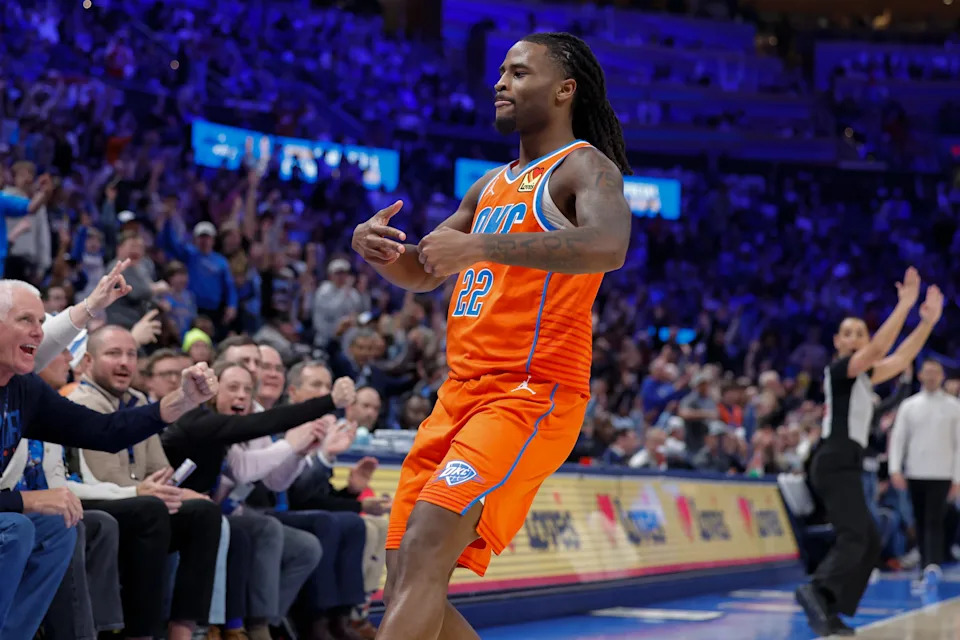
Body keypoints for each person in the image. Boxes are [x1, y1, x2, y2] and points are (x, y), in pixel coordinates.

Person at [351, 32, 631, 639]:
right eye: (500, 72)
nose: (499, 83)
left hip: (530, 393)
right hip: (459, 395)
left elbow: (609, 247)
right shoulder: (488, 186)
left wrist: (479, 243)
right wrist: (377, 253)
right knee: (402, 576)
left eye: (518, 72)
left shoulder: (584, 166)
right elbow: (424, 270)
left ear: (564, 89)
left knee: (426, 549)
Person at [0, 279, 219, 639]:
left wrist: (180, 401)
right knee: (19, 526)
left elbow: (103, 431)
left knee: (57, 526)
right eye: (27, 320)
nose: (40, 334)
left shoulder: (24, 387)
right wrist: (28, 499)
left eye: (42, 323)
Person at [795, 267, 944, 637]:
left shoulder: (863, 377)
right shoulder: (840, 370)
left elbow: (897, 359)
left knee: (871, 538)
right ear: (837, 342)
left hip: (848, 463)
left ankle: (832, 606)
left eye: (860, 332)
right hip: (832, 461)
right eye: (849, 333)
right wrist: (905, 304)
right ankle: (815, 590)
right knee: (855, 536)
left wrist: (925, 324)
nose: (856, 338)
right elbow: (880, 349)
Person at [69, 325, 224, 640]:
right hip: (92, 499)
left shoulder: (139, 402)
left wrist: (165, 491)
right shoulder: (78, 403)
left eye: (131, 354)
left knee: (204, 514)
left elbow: (161, 469)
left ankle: (183, 630)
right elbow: (101, 476)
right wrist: (144, 488)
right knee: (151, 509)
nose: (125, 362)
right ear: (86, 362)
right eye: (113, 353)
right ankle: (140, 634)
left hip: (140, 500)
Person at [888, 358, 960, 588]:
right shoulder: (909, 405)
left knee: (934, 519)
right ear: (920, 375)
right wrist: (895, 468)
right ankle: (923, 563)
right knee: (918, 519)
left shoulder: (953, 406)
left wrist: (957, 477)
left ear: (942, 376)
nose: (931, 377)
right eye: (927, 372)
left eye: (935, 372)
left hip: (942, 473)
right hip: (915, 471)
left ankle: (933, 564)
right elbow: (899, 438)